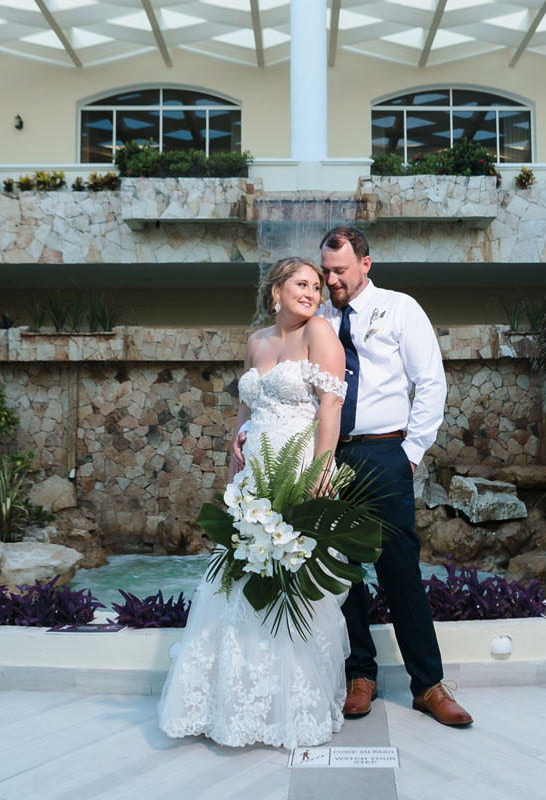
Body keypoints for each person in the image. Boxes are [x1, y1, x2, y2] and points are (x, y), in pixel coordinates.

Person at [158, 256, 350, 749]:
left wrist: (320, 471)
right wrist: (230, 477)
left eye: (316, 285)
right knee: (236, 581)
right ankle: (231, 701)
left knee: (292, 580)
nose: (313, 291)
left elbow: (330, 405)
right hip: (252, 475)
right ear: (276, 290)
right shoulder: (257, 341)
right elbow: (244, 412)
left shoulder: (320, 333)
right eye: (302, 284)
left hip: (296, 468)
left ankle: (290, 706)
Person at [318, 225, 471, 727]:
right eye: (327, 270)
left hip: (386, 454)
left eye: (340, 270)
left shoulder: (402, 307)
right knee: (341, 571)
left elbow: (431, 382)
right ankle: (360, 675)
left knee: (400, 571)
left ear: (366, 263)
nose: (331, 279)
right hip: (329, 458)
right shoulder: (317, 315)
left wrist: (410, 453)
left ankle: (428, 685)